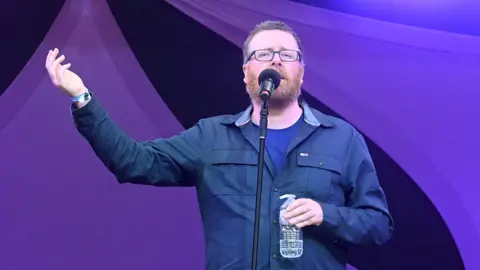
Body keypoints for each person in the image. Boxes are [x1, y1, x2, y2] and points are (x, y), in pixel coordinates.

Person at [45, 20, 393, 270]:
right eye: (264, 53)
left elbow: (378, 224)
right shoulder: (211, 137)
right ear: (246, 73)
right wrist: (82, 98)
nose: (275, 60)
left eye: (287, 54)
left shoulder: (342, 138)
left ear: (302, 71)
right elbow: (132, 161)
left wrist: (325, 214)